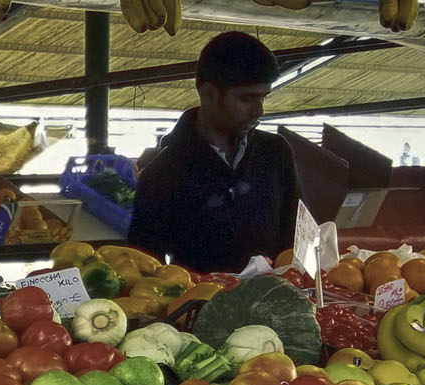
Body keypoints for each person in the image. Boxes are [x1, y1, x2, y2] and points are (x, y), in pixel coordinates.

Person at [127, 32, 302, 274]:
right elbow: (145, 266)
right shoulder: (163, 172)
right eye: (248, 98)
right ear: (208, 93)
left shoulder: (275, 153)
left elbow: (296, 236)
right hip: (199, 297)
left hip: (279, 293)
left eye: (263, 97)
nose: (259, 111)